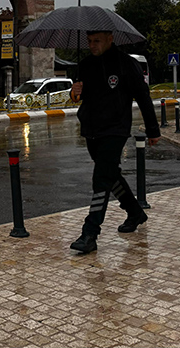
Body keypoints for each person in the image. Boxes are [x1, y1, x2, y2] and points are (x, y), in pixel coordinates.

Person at [68, 30, 161, 254]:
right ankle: (135, 212)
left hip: (115, 130)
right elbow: (78, 98)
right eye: (89, 41)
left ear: (110, 39)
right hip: (91, 130)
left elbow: (143, 97)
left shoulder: (126, 64)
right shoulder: (85, 64)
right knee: (110, 174)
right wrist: (74, 93)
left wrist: (152, 129)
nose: (92, 45)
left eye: (97, 41)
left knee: (101, 177)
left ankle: (90, 232)